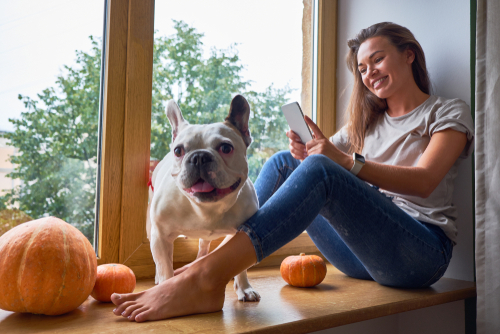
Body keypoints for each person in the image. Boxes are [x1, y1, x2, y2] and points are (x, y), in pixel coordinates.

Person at [110, 22, 474, 322]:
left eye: (377, 60)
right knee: (287, 163)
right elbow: (314, 168)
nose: (369, 74)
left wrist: (341, 160)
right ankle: (217, 264)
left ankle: (207, 272)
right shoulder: (366, 123)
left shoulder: (446, 112)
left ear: (408, 54)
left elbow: (426, 181)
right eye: (362, 68)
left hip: (420, 255)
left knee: (322, 169)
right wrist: (307, 151)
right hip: (361, 256)